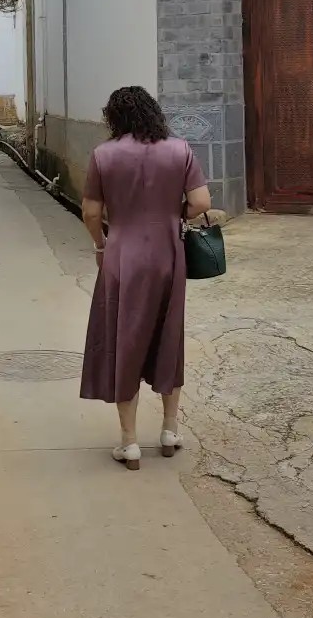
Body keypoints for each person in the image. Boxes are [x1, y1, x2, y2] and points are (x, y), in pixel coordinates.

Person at [78, 85, 214, 469]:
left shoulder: (103, 155)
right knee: (169, 336)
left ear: (114, 118)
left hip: (122, 255)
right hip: (168, 255)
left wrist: (100, 245)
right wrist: (173, 216)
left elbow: (91, 212)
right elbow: (201, 202)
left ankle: (130, 442)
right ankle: (170, 431)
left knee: (124, 339)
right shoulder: (180, 150)